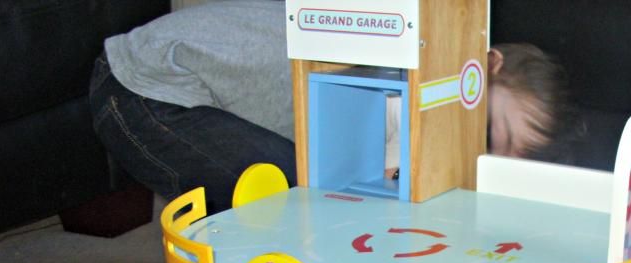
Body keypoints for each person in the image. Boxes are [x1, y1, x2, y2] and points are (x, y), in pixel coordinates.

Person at [90, 0, 576, 213]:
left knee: (297, 184)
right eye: (491, 133)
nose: (480, 152)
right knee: (305, 196)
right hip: (141, 89)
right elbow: (375, 172)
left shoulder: (416, 75)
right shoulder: (411, 78)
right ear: (484, 66)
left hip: (177, 86)